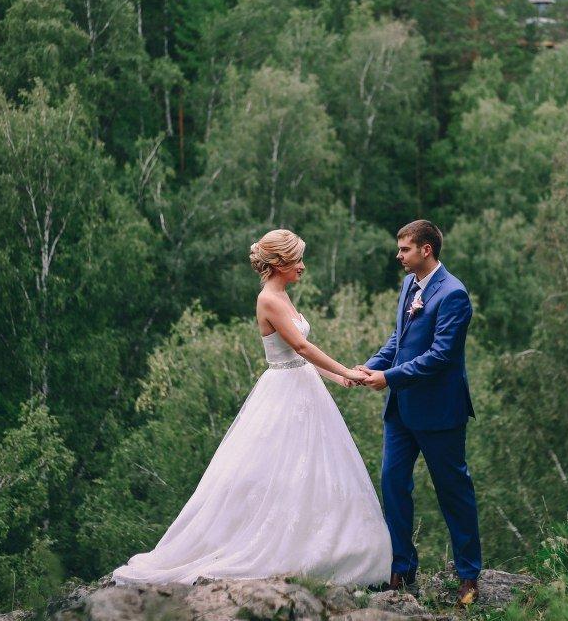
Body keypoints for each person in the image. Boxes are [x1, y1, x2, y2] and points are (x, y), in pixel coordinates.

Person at [108, 229, 392, 587]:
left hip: (305, 387)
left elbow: (300, 354)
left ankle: (322, 547)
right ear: (280, 263)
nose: (303, 266)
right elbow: (301, 348)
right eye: (297, 259)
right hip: (284, 393)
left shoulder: (283, 295)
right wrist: (347, 370)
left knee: (312, 471)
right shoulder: (268, 299)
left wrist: (337, 378)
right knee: (277, 471)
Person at [355, 220, 482, 607]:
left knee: (453, 492)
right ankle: (402, 568)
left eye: (405, 249)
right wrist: (369, 367)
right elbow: (399, 340)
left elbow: (440, 356)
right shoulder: (409, 284)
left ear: (426, 249)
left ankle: (468, 575)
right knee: (393, 484)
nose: (399, 255)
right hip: (401, 411)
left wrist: (388, 377)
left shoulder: (454, 294)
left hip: (440, 412)